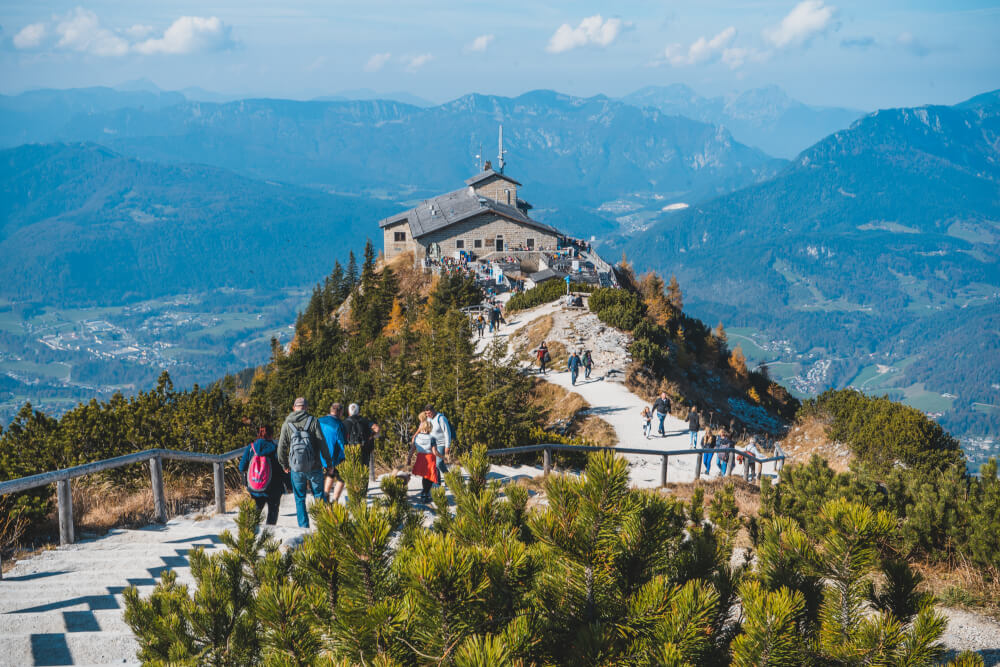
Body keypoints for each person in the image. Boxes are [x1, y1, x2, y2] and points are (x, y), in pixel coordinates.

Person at [277, 397, 330, 528]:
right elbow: (322, 443)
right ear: (306, 408)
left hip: (296, 468)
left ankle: (303, 528)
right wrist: (328, 464)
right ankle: (323, 525)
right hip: (315, 466)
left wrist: (284, 465)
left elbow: (281, 448)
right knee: (318, 495)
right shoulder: (313, 421)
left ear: (294, 408)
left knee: (300, 498)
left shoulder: (287, 424)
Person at [238, 426, 283, 525]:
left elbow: (241, 467)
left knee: (255, 513)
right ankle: (268, 534)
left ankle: (251, 535)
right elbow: (282, 469)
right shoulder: (275, 448)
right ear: (271, 435)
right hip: (274, 488)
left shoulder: (251, 448)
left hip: (256, 487)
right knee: (273, 513)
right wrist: (288, 485)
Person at [343, 402, 380, 498]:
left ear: (348, 412)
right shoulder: (365, 421)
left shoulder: (345, 422)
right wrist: (371, 437)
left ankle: (353, 493)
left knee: (352, 471)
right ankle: (363, 492)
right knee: (364, 470)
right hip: (364, 449)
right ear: (359, 411)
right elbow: (377, 429)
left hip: (351, 450)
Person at [407, 418, 442, 503]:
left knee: (424, 476)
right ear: (430, 428)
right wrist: (443, 457)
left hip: (420, 458)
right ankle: (425, 493)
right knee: (430, 477)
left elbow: (412, 450)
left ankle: (424, 493)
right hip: (430, 458)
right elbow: (434, 451)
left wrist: (409, 459)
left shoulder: (416, 437)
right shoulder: (432, 438)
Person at [318, 402, 347, 503]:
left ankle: (325, 496)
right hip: (335, 459)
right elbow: (342, 444)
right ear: (340, 412)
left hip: (319, 458)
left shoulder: (319, 421)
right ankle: (334, 501)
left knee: (329, 476)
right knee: (342, 478)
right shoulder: (339, 425)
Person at [425, 404, 452, 484]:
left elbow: (447, 433)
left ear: (433, 411)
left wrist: (447, 446)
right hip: (432, 444)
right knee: (434, 464)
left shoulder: (441, 418)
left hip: (441, 443)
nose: (428, 415)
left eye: (429, 413)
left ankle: (449, 478)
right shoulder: (428, 419)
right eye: (426, 413)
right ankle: (438, 483)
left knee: (439, 463)